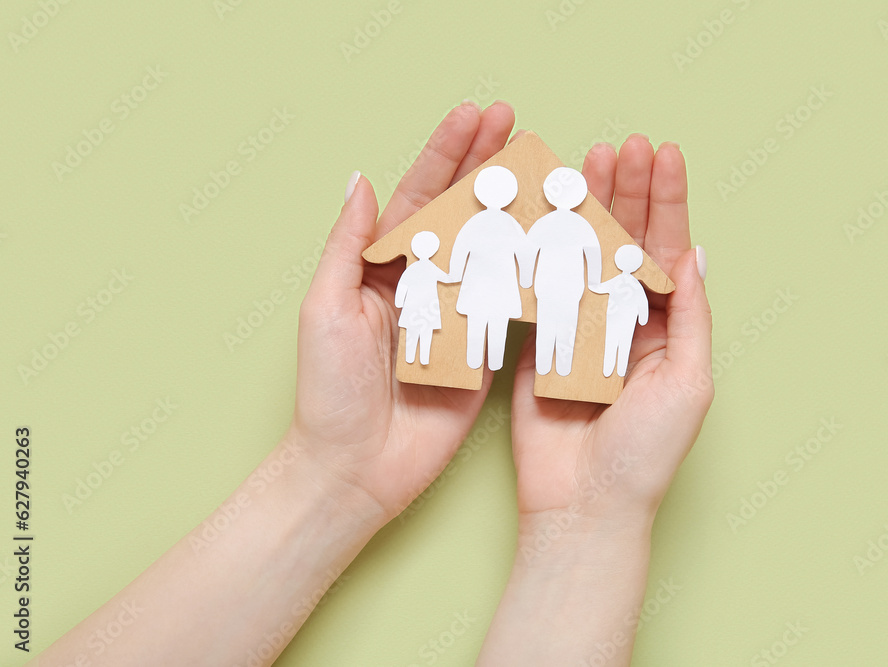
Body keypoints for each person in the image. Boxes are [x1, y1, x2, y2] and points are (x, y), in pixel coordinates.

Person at [32, 101, 712, 667]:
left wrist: (589, 525)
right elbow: (476, 259)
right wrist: (331, 470)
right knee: (464, 336)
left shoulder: (552, 243)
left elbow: (548, 262)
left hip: (545, 301)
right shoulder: (489, 239)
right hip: (473, 298)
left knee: (547, 341)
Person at [520, 166, 603, 376]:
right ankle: (563, 367)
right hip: (571, 287)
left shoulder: (543, 223)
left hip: (546, 286)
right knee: (568, 327)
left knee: (546, 327)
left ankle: (544, 365)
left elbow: (528, 252)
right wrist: (593, 281)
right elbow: (594, 254)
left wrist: (526, 280)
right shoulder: (582, 225)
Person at [448, 164, 532, 371]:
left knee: (476, 322)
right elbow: (524, 253)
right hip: (503, 284)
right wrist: (525, 279)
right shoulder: (510, 224)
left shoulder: (475, 222)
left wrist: (456, 274)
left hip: (478, 283)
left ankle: (474, 360)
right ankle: (494, 361)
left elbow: (460, 248)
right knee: (498, 323)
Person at [590, 244, 650, 377]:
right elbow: (643, 302)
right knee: (624, 343)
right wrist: (643, 317)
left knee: (612, 342)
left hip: (616, 317)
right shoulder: (635, 284)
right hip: (625, 318)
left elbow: (600, 288)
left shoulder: (618, 281)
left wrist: (591, 284)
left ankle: (609, 369)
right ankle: (618, 370)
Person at [395, 230, 452, 365]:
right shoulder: (431, 268)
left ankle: (411, 357)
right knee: (425, 333)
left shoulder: (413, 268)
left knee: (412, 333)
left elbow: (403, 285)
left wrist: (399, 301)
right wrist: (455, 276)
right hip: (427, 308)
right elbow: (446, 278)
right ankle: (423, 358)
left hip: (414, 307)